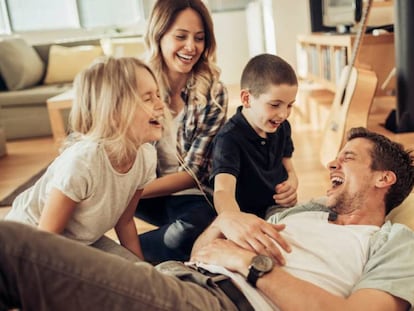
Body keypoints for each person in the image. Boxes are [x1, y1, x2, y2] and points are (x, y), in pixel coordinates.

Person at [1, 127, 413, 311]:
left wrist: (251, 265)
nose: (331, 162)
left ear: (384, 178)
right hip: (179, 278)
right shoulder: (305, 212)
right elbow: (207, 248)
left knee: (12, 247)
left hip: (215, 302)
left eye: (348, 157)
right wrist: (222, 229)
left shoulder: (395, 242)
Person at [4, 56, 164, 260]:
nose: (161, 104)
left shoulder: (146, 157)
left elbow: (124, 222)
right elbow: (44, 243)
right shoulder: (83, 162)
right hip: (28, 248)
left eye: (158, 94)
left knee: (141, 280)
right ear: (114, 112)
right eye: (148, 98)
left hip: (83, 241)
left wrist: (144, 272)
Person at [134, 0, 228, 262]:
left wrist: (132, 192)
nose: (191, 47)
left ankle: (110, 258)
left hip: (187, 193)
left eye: (199, 38)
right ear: (158, 35)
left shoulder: (214, 91)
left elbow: (193, 174)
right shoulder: (137, 83)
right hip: (143, 189)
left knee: (189, 232)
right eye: (180, 36)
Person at [210, 53, 299, 254]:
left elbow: (289, 168)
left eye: (290, 105)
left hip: (276, 209)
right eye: (275, 105)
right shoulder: (229, 138)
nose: (283, 114)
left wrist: (292, 183)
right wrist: (236, 223)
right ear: (247, 98)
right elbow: (222, 191)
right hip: (246, 216)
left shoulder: (282, 127)